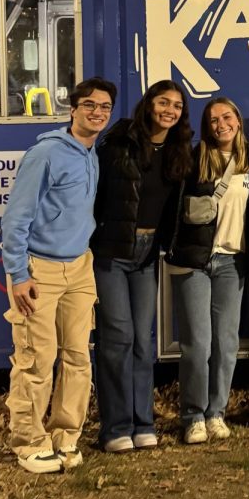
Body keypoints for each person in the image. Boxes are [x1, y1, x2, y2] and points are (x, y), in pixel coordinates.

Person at [1, 77, 116, 473]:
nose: (97, 112)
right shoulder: (46, 153)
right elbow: (16, 217)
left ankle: (65, 437)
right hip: (41, 270)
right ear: (73, 109)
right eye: (90, 105)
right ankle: (29, 443)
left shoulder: (91, 153)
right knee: (36, 359)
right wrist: (18, 274)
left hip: (80, 268)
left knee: (77, 357)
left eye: (104, 107)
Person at [91, 80, 193, 452]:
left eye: (177, 106)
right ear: (149, 104)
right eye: (163, 102)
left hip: (149, 254)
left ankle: (142, 422)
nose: (169, 110)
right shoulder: (120, 142)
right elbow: (96, 194)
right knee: (116, 338)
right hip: (113, 252)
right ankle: (115, 428)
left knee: (141, 341)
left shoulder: (180, 151)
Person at [165, 97, 249, 443]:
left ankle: (216, 412)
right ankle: (192, 416)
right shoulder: (194, 160)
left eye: (227, 116)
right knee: (197, 343)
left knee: (226, 342)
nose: (221, 124)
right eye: (213, 120)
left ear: (237, 119)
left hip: (233, 263)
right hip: (196, 262)